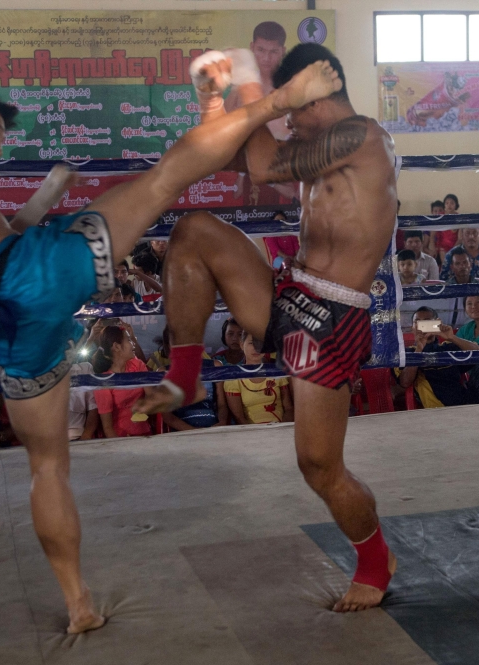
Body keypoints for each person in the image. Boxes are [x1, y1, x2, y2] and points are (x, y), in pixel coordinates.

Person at [0, 62, 341, 631]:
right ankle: (282, 99)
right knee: (166, 178)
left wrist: (39, 202)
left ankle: (78, 602)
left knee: (47, 467)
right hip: (30, 280)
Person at [135, 44, 398, 612]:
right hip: (290, 290)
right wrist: (214, 102)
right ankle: (185, 374)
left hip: (332, 317)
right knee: (193, 231)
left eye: (295, 107)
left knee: (318, 466)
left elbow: (260, 164)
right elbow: (223, 154)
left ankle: (377, 559)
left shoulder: (362, 137)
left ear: (319, 94)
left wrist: (251, 84)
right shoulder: (315, 145)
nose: (289, 121)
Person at [395, 307, 478, 408]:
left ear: (437, 324)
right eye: (417, 322)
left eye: (427, 322)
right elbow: (405, 382)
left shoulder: (448, 347)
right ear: (412, 328)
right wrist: (419, 349)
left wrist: (452, 337)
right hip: (438, 409)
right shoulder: (408, 353)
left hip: (465, 405)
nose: (422, 326)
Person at [148, 327, 228, 430]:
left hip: (213, 430)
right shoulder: (163, 372)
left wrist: (221, 423)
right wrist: (193, 431)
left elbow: (222, 405)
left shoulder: (215, 366)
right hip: (182, 433)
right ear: (169, 346)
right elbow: (168, 416)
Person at [225, 21, 289, 140]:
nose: (266, 58)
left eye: (273, 52)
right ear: (252, 47)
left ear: (283, 51)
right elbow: (221, 129)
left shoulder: (292, 86)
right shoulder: (241, 88)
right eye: (261, 50)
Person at [92, 326, 154, 439]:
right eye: (129, 340)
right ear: (116, 346)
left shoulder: (138, 365)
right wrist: (122, 444)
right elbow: (108, 428)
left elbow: (151, 397)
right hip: (119, 438)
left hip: (145, 435)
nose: (133, 343)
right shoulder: (104, 381)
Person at [223, 330, 293, 424]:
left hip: (279, 427)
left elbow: (289, 409)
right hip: (251, 431)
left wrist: (281, 428)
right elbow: (239, 418)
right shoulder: (233, 378)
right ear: (242, 345)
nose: (256, 348)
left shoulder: (276, 372)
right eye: (251, 343)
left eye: (261, 343)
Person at [67, 362, 99, 442]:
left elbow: (93, 407)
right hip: (45, 439)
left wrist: (86, 435)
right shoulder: (41, 371)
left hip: (76, 437)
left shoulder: (85, 369)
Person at [432, 194, 461, 265]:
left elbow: (460, 238)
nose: (449, 205)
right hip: (442, 247)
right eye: (447, 203)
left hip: (455, 246)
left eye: (452, 203)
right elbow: (432, 235)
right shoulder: (440, 217)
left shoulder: (459, 218)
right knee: (445, 265)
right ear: (444, 205)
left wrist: (452, 251)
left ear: (456, 205)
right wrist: (433, 248)